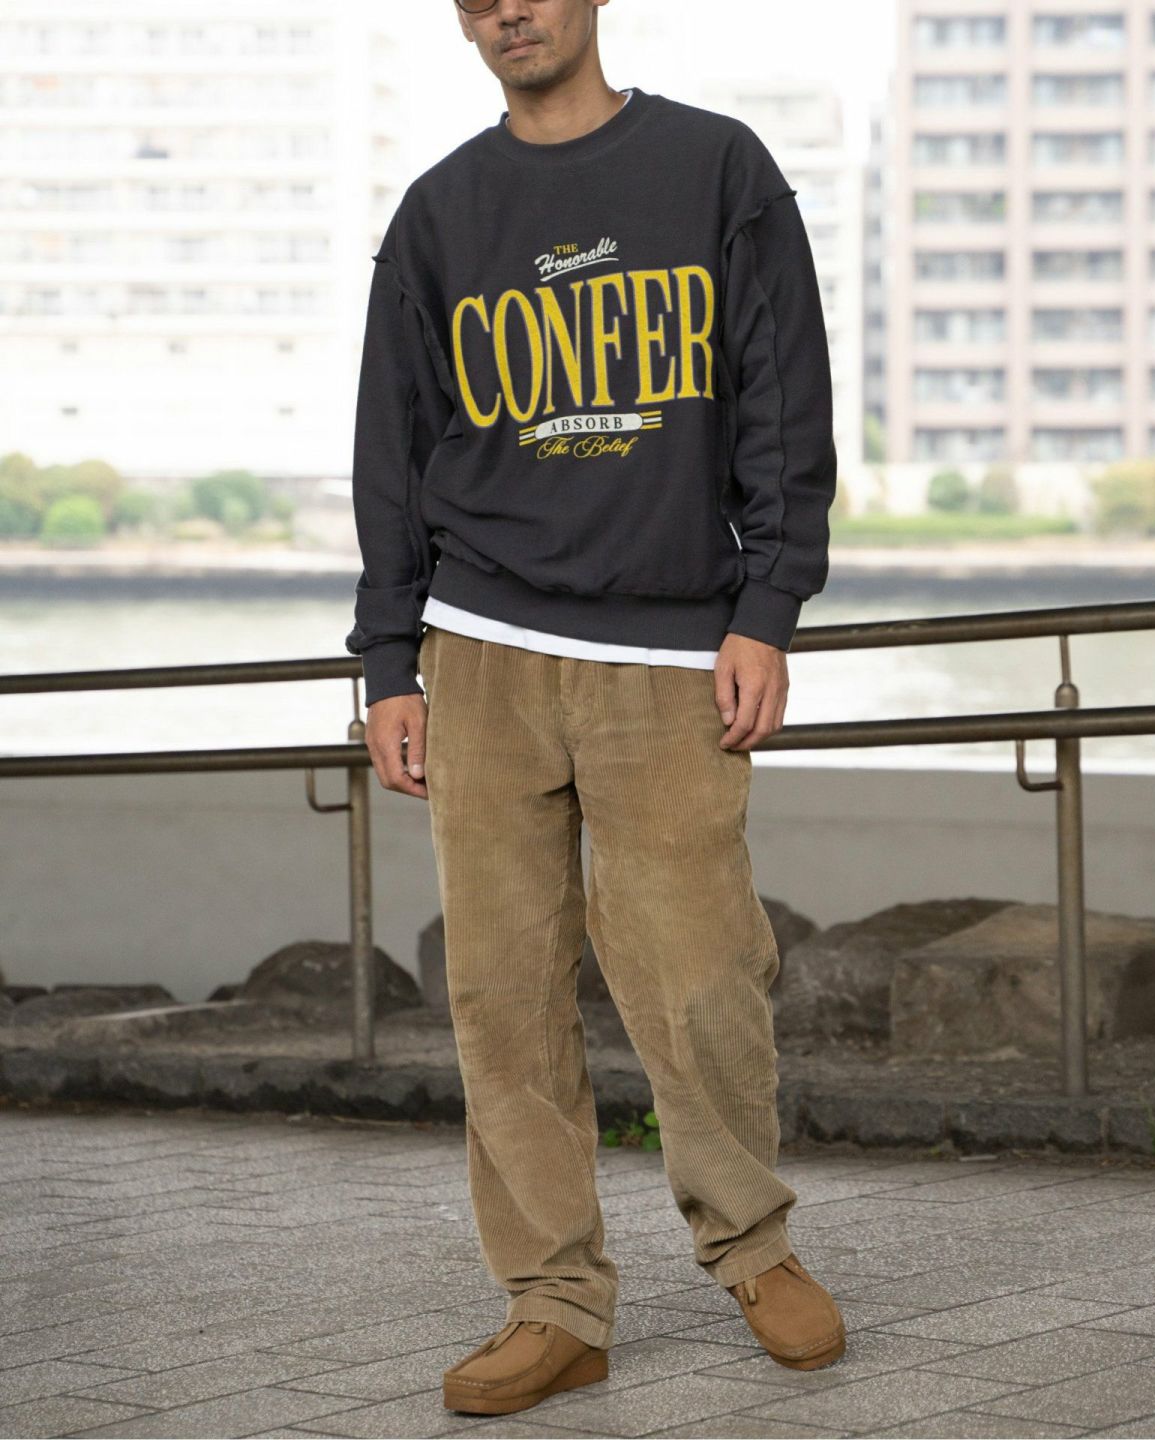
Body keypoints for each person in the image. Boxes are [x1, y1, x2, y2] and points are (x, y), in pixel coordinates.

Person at [345, 0, 844, 1417]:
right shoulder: (439, 213)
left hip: (668, 649)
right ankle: (554, 1302)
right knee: (501, 1000)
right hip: (480, 652)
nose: (509, 10)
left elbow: (784, 400)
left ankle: (753, 1248)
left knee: (701, 976)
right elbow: (392, 450)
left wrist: (767, 609)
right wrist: (388, 662)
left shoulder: (716, 169)